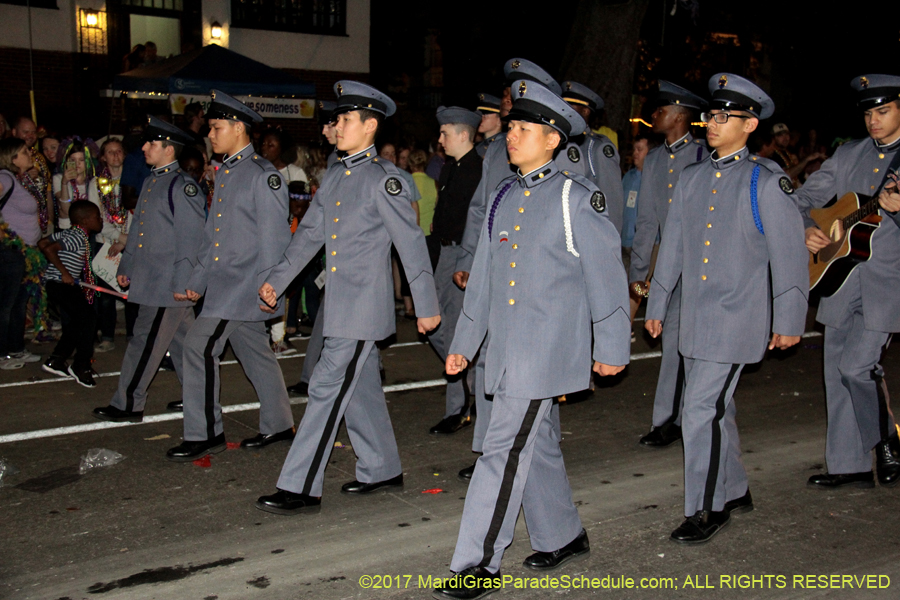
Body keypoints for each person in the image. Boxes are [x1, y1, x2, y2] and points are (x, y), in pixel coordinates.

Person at [434, 80, 630, 598]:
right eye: (512, 125)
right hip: (504, 351)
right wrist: (465, 342)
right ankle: (563, 533)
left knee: (501, 451)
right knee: (534, 444)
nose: (511, 135)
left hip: (545, 352)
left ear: (552, 141)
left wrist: (611, 348)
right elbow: (483, 280)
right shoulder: (504, 194)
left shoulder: (575, 197)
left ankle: (479, 562)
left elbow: (606, 276)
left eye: (524, 129)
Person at [254, 81, 440, 515]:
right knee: (360, 391)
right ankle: (381, 466)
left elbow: (411, 246)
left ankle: (300, 487)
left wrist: (427, 306)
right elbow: (309, 237)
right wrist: (277, 281)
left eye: (344, 118)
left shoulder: (385, 181)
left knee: (325, 387)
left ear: (369, 125)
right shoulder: (338, 174)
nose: (335, 125)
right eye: (336, 118)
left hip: (363, 308)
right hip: (339, 304)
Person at [645, 73, 808, 544]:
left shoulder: (765, 180)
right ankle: (734, 488)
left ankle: (707, 506)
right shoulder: (694, 178)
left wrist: (789, 320)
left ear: (750, 124)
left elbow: (789, 254)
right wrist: (657, 302)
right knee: (718, 407)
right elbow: (672, 246)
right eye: (710, 115)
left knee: (698, 410)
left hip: (737, 317)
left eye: (723, 117)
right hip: (694, 316)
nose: (711, 124)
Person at [165, 90, 296, 461]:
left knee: (197, 347)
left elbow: (275, 239)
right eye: (210, 127)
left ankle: (205, 433)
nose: (211, 134)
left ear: (239, 128)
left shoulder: (262, 175)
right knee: (255, 353)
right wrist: (197, 281)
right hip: (225, 285)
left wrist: (273, 287)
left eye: (217, 127)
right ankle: (280, 424)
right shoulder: (226, 172)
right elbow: (213, 237)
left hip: (244, 285)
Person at [453, 58, 560, 482]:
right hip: (497, 272)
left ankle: (499, 452)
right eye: (507, 98)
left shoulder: (564, 153)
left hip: (538, 292)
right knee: (491, 370)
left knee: (528, 399)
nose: (507, 107)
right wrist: (467, 261)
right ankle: (488, 448)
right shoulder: (497, 151)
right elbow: (482, 210)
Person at [798, 74, 900, 489]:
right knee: (835, 372)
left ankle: (887, 441)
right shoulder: (849, 154)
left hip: (887, 283)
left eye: (883, 111)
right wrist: (805, 227)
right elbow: (803, 198)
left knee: (858, 367)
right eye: (868, 113)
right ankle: (848, 467)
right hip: (838, 276)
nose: (873, 121)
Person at [91, 117, 207, 422]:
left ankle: (129, 403)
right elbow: (140, 229)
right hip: (155, 279)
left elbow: (192, 238)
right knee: (186, 347)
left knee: (144, 343)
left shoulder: (183, 187)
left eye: (151, 143)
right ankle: (200, 399)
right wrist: (127, 264)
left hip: (167, 284)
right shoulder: (153, 180)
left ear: (169, 149)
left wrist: (183, 283)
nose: (143, 147)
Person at [630, 81, 710, 448]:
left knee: (689, 345)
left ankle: (689, 416)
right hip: (667, 268)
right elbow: (647, 220)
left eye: (661, 111)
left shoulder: (704, 157)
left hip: (700, 267)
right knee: (672, 342)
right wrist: (638, 275)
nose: (654, 116)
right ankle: (668, 420)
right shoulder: (658, 159)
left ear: (679, 116)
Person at [427, 106, 483, 435]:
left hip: (465, 255)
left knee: (458, 327)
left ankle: (458, 405)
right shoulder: (449, 169)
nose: (440, 140)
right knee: (432, 322)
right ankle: (469, 380)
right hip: (445, 253)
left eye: (445, 133)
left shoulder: (481, 169)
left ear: (463, 135)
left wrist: (471, 262)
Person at [38, 201, 104, 387]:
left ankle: (57, 359)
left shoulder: (70, 233)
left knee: (78, 321)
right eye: (97, 217)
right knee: (89, 318)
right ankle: (81, 365)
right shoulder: (76, 236)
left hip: (58, 284)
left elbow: (43, 242)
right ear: (85, 220)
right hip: (62, 284)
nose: (100, 221)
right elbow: (50, 249)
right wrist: (65, 273)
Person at [0, 138, 44, 370]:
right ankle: (2, 353)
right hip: (11, 251)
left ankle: (16, 348)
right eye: (25, 151)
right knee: (5, 304)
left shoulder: (16, 179)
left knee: (19, 303)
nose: (30, 153)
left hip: (25, 252)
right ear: (13, 157)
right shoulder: (5, 177)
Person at [560, 81, 625, 235]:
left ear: (585, 111)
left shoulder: (596, 148)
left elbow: (612, 203)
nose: (564, 111)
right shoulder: (555, 142)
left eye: (571, 107)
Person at [90, 138, 134, 352]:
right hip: (106, 243)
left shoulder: (133, 181)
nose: (115, 156)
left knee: (132, 293)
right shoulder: (96, 183)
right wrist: (117, 238)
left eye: (119, 151)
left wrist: (128, 240)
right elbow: (97, 216)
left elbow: (137, 212)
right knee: (106, 293)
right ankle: (107, 336)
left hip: (131, 242)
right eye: (110, 152)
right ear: (103, 157)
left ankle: (133, 335)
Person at [620, 133, 653, 295]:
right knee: (622, 287)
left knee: (637, 289)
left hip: (643, 245)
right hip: (623, 242)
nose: (635, 153)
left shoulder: (653, 179)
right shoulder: (629, 177)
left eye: (640, 149)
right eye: (634, 149)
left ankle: (631, 320)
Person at [409, 149, 438, 267]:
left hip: (412, 234)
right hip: (430, 235)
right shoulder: (434, 183)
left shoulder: (406, 183)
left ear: (410, 164)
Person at [474, 93, 503, 158]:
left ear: (499, 120)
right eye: (481, 115)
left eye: (486, 115)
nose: (481, 118)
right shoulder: (478, 147)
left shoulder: (503, 146)